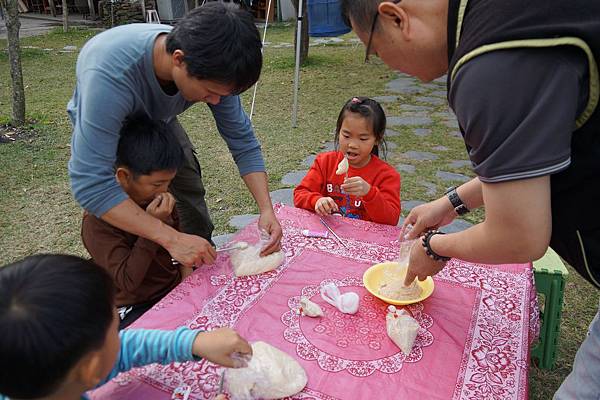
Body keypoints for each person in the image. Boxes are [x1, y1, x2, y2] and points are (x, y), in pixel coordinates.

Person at [340, 0, 600, 398]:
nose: (384, 64)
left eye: (374, 50)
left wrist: (434, 247)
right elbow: (532, 157)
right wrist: (451, 203)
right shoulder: (500, 17)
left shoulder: (489, 62)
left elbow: (520, 235)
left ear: (395, 17)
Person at [67, 1, 282, 271]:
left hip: (158, 119)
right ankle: (148, 286)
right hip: (114, 124)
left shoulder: (215, 69)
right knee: (134, 205)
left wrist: (266, 209)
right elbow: (91, 186)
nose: (216, 102)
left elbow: (243, 141)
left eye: (223, 95)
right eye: (209, 92)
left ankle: (198, 262)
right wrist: (169, 237)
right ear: (179, 59)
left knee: (187, 182)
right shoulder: (109, 76)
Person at [0, 254, 252, 400]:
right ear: (90, 369)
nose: (122, 333)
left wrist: (191, 342)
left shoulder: (38, 374)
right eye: (116, 324)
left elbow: (122, 350)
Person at [82, 117, 192, 329]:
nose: (164, 191)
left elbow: (181, 250)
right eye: (157, 183)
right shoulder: (97, 221)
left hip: (172, 288)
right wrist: (153, 227)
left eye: (169, 183)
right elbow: (128, 282)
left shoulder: (156, 197)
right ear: (123, 176)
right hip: (135, 305)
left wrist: (187, 287)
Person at [294, 97, 401, 225]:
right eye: (346, 136)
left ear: (377, 139)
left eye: (363, 139)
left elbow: (391, 220)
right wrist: (316, 201)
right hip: (327, 235)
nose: (352, 144)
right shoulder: (325, 163)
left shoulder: (386, 175)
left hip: (364, 240)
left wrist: (369, 193)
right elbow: (300, 194)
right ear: (338, 131)